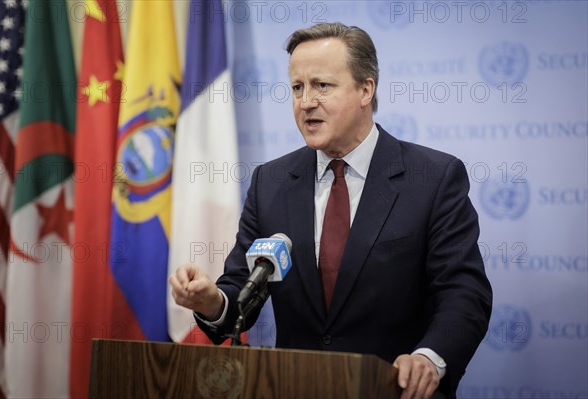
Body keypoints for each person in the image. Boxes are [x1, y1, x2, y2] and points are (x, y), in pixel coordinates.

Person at [169, 22, 492, 399]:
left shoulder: (433, 179)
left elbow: (463, 293)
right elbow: (240, 293)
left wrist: (428, 358)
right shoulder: (270, 182)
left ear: (365, 90)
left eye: (322, 86)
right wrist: (211, 302)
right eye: (297, 88)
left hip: (394, 391)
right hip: (294, 388)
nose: (306, 101)